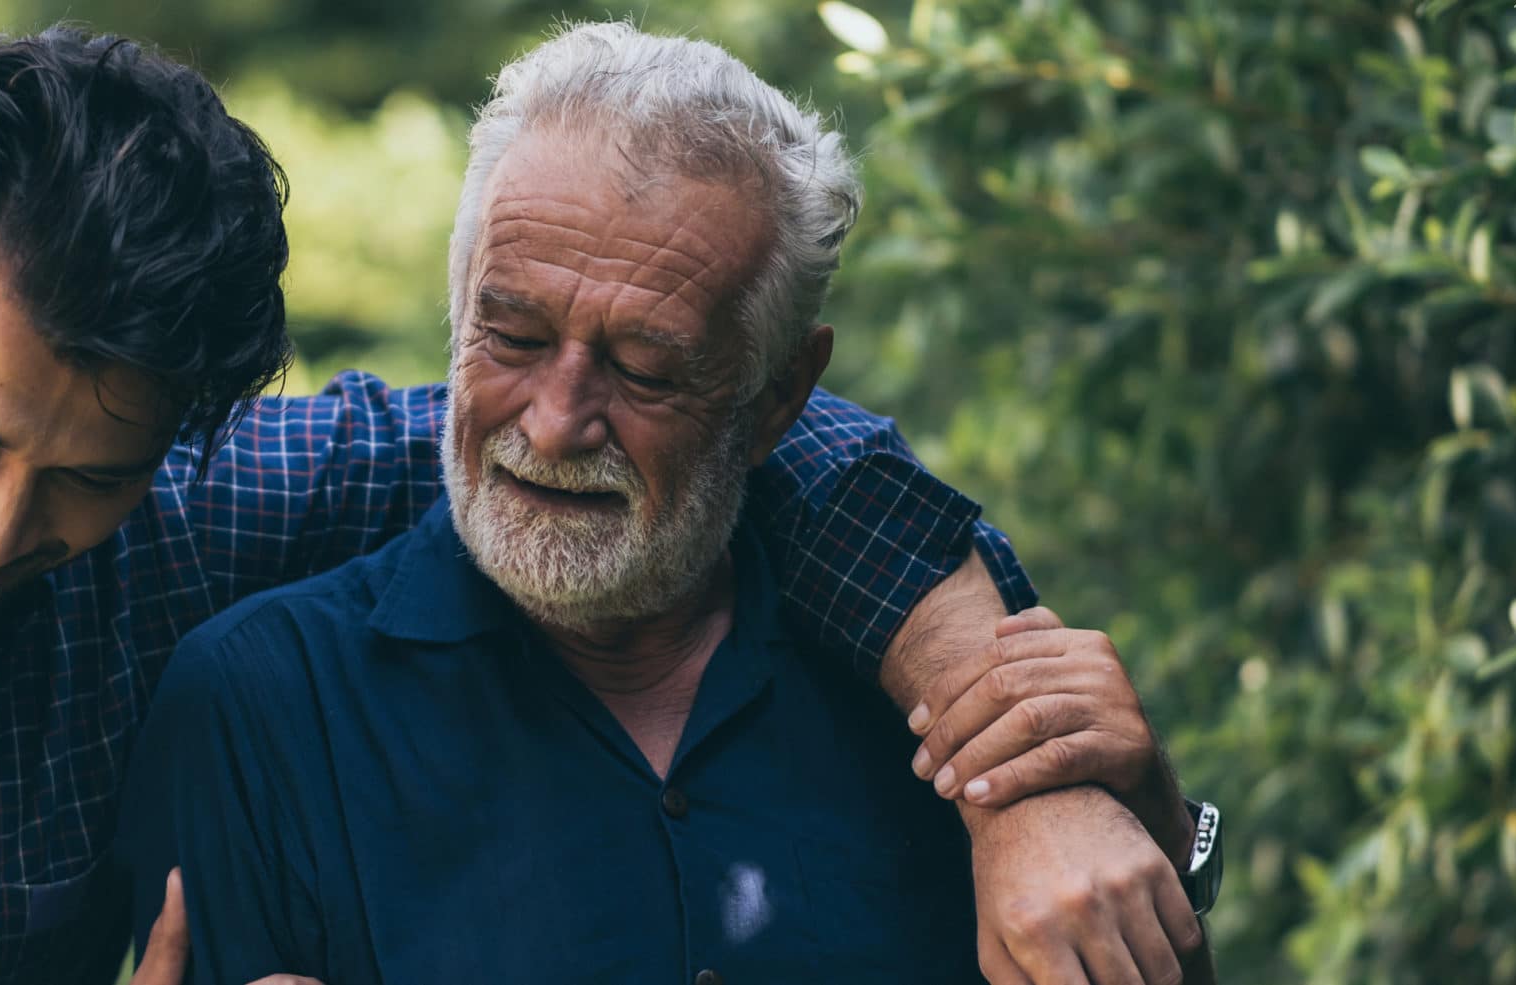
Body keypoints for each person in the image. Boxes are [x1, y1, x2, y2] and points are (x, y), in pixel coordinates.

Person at [0, 25, 1199, 985]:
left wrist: (1020, 767)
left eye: (89, 476)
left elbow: (755, 447)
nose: (6, 530)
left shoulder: (203, 504)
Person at [118, 22, 1211, 985]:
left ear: (780, 392)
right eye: (513, 336)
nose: (553, 423)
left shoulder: (950, 677)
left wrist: (1148, 833)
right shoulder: (259, 705)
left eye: (644, 370)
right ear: (455, 314)